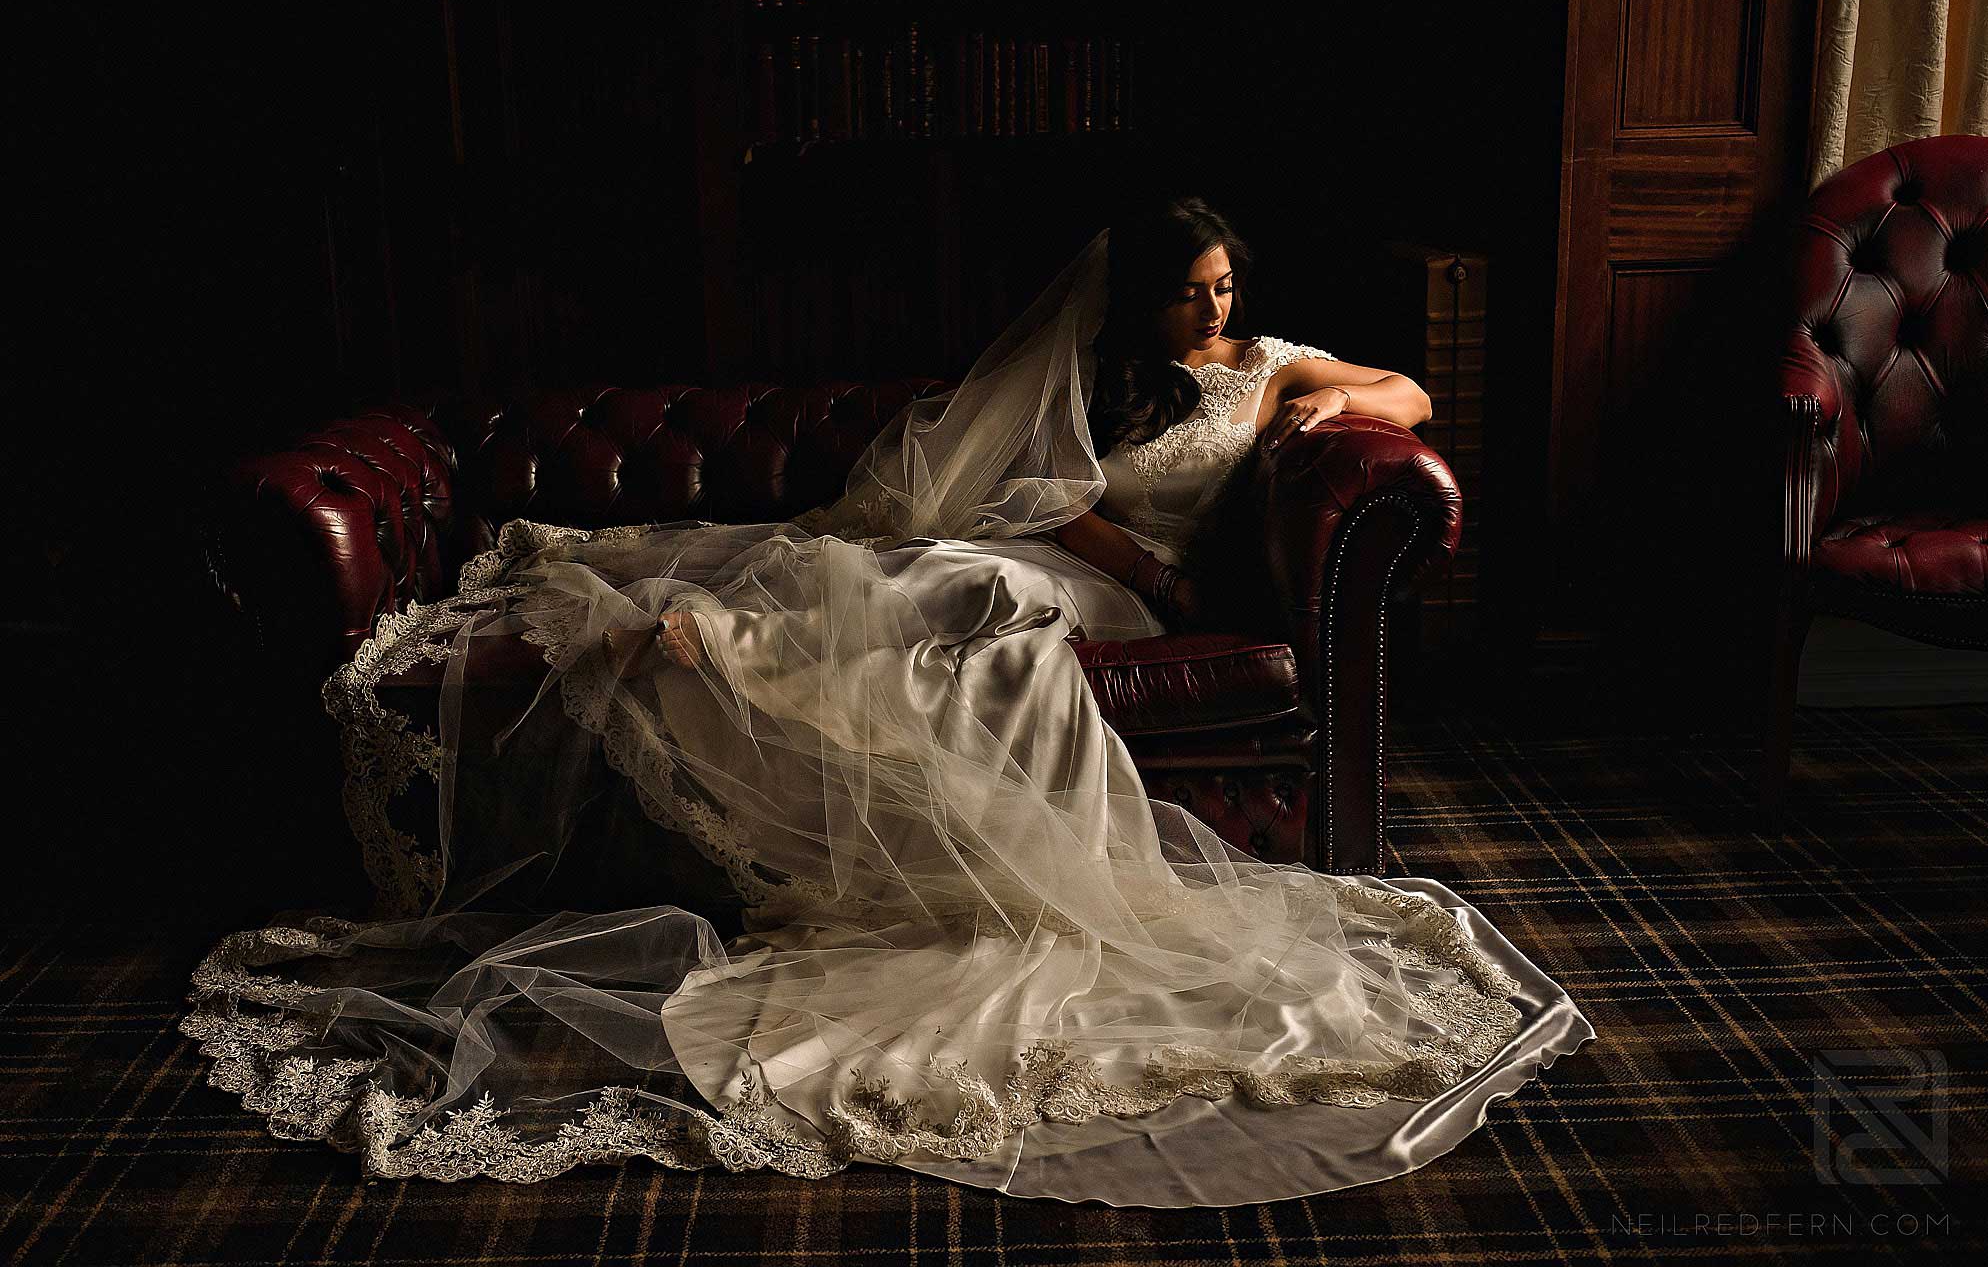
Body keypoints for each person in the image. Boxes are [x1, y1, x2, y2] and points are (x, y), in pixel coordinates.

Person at [183, 198, 1593, 1207]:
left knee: (993, 603)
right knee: (944, 574)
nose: (1214, 313)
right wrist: (1114, 547)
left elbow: (1403, 393)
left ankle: (734, 639)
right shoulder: (1097, 379)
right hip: (1087, 561)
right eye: (1191, 295)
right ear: (1137, 301)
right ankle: (729, 634)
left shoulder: (1267, 363)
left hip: (1124, 594)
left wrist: (1311, 408)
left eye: (1225, 289)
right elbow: (1054, 502)